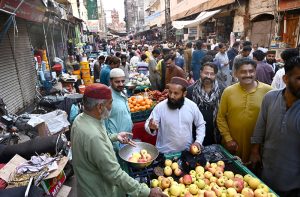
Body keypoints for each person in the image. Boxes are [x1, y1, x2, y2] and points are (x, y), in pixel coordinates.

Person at [71, 84, 165, 197]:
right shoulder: (94, 136)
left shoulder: (80, 119)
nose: (112, 106)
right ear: (100, 107)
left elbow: (92, 144)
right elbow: (114, 173)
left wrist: (115, 137)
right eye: (110, 103)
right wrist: (146, 192)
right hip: (99, 191)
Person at [250, 48, 300, 196]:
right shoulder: (270, 98)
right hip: (267, 174)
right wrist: (254, 151)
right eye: (299, 78)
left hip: (294, 184)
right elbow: (260, 127)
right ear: (285, 79)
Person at [216, 58, 272, 162]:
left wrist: (258, 147)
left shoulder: (268, 91)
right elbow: (221, 117)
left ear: (255, 72)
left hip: (257, 147)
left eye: (251, 71)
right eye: (243, 71)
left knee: (253, 175)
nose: (248, 74)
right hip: (233, 145)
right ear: (236, 73)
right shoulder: (228, 91)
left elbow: (271, 120)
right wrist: (228, 139)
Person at [145, 77, 206, 153]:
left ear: (184, 94)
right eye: (170, 92)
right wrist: (151, 127)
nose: (171, 96)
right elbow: (148, 124)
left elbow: (201, 124)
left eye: (176, 93)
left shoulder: (192, 106)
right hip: (165, 152)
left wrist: (198, 141)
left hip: (187, 152)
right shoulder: (160, 107)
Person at [187, 62, 225, 146]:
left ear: (215, 75)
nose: (208, 76)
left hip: (215, 130)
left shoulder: (223, 90)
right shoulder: (190, 91)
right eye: (206, 73)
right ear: (200, 72)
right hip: (196, 130)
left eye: (212, 74)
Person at [105, 68, 133, 151]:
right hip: (116, 143)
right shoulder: (107, 97)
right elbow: (103, 124)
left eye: (122, 81)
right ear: (110, 81)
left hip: (126, 139)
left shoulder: (122, 92)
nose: (121, 84)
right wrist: (112, 138)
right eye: (117, 82)